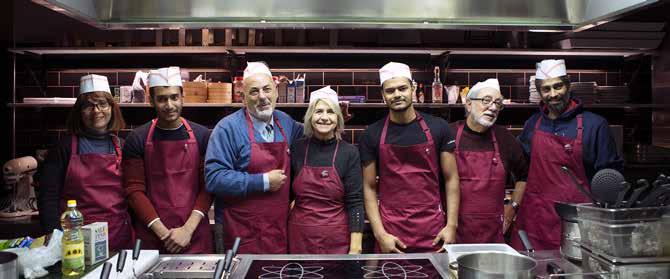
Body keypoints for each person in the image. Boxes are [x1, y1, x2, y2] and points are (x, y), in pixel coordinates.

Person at [511, 59, 624, 250]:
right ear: (539, 92)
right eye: (546, 89)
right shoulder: (532, 124)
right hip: (535, 220)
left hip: (578, 222)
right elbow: (521, 169)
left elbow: (609, 180)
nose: (553, 94)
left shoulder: (595, 125)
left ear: (568, 85)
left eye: (558, 86)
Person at [360, 62, 460, 253]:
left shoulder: (439, 128)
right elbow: (369, 187)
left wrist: (451, 225)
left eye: (402, 88)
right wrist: (380, 234)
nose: (397, 94)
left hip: (433, 229)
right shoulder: (371, 135)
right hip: (391, 231)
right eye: (390, 91)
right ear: (383, 95)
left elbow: (451, 178)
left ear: (412, 88)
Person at [205, 62, 303, 254]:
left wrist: (334, 118)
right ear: (243, 98)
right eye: (254, 92)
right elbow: (214, 178)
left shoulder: (286, 122)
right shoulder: (227, 128)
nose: (263, 97)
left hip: (276, 230)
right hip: (239, 232)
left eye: (267, 89)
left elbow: (312, 133)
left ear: (276, 92)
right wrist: (263, 182)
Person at [123, 66, 213, 254]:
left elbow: (208, 188)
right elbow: (134, 191)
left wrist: (187, 231)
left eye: (174, 97)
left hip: (194, 234)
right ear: (151, 101)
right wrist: (165, 235)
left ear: (182, 97)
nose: (169, 105)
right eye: (162, 99)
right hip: (153, 237)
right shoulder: (137, 138)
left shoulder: (203, 135)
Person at [38, 74, 133, 251]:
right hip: (76, 239)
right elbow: (48, 195)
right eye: (88, 106)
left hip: (118, 235)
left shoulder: (122, 146)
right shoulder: (64, 147)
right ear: (79, 112)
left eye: (102, 104)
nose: (97, 111)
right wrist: (52, 232)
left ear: (112, 108)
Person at [449, 78, 529, 243]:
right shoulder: (448, 134)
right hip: (454, 230)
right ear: (469, 104)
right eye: (486, 101)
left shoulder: (504, 138)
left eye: (498, 103)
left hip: (493, 231)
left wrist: (512, 208)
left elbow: (525, 176)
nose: (493, 107)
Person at [288, 86, 364, 254]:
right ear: (310, 117)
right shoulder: (297, 149)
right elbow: (286, 196)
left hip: (337, 239)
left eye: (330, 112)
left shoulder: (349, 152)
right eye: (318, 111)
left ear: (338, 118)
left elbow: (355, 202)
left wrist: (355, 248)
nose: (324, 117)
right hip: (299, 238)